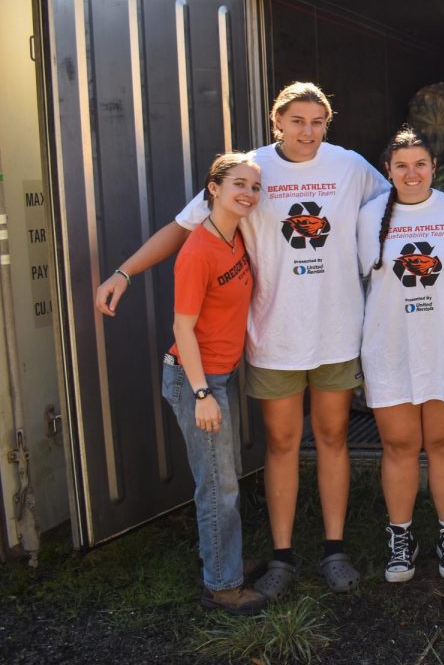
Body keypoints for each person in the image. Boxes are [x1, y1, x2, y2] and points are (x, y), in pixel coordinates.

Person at [96, 82, 389, 597]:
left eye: (318, 121)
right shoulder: (250, 170)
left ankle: (334, 549)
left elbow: (394, 209)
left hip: (338, 331)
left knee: (333, 440)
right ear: (277, 121)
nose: (308, 131)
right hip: (274, 337)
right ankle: (281, 557)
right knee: (280, 444)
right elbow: (184, 229)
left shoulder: (349, 166)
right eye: (297, 120)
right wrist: (124, 271)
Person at [358, 128, 444, 583]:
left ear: (434, 167)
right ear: (387, 169)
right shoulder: (367, 217)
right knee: (400, 445)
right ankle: (401, 539)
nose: (412, 174)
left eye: (421, 164)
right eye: (402, 165)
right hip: (391, 347)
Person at [162, 152, 265, 614]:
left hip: (218, 373)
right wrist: (203, 394)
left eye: (254, 187)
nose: (248, 193)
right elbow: (183, 329)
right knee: (217, 485)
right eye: (238, 184)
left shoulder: (235, 236)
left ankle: (224, 560)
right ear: (214, 189)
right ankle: (222, 586)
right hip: (195, 378)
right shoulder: (198, 251)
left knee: (224, 478)